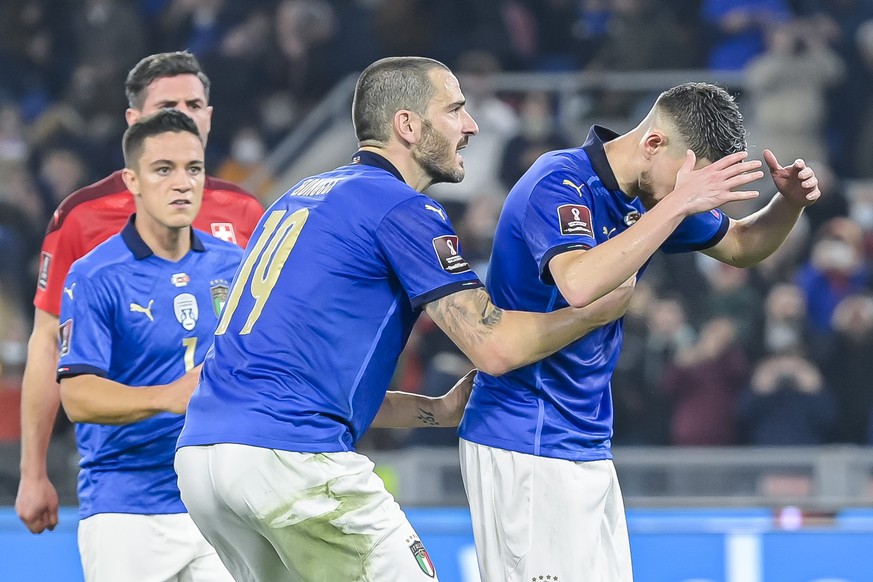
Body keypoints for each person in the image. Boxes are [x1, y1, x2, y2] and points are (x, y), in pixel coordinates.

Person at [170, 55, 755, 582]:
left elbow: (294, 377)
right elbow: (495, 348)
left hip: (205, 460)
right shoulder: (400, 207)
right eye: (454, 109)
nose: (470, 125)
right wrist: (594, 313)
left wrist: (436, 411)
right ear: (407, 125)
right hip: (290, 459)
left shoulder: (300, 197)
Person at [457, 82, 821, 582]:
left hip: (584, 437)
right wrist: (676, 205)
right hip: (525, 433)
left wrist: (789, 205)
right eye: (686, 186)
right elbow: (581, 282)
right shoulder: (560, 181)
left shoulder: (655, 192)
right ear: (653, 144)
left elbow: (740, 245)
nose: (688, 199)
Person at [15, 50, 264, 535]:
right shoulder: (83, 217)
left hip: (226, 479)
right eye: (166, 106)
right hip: (126, 482)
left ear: (209, 116)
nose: (180, 117)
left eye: (193, 105)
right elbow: (47, 342)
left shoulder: (244, 211)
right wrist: (32, 471)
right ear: (133, 123)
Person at [56, 109, 240, 581]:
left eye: (193, 169)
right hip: (126, 508)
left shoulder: (234, 265)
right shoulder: (95, 275)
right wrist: (168, 396)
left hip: (215, 500)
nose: (182, 183)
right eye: (164, 170)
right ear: (131, 181)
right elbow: (77, 396)